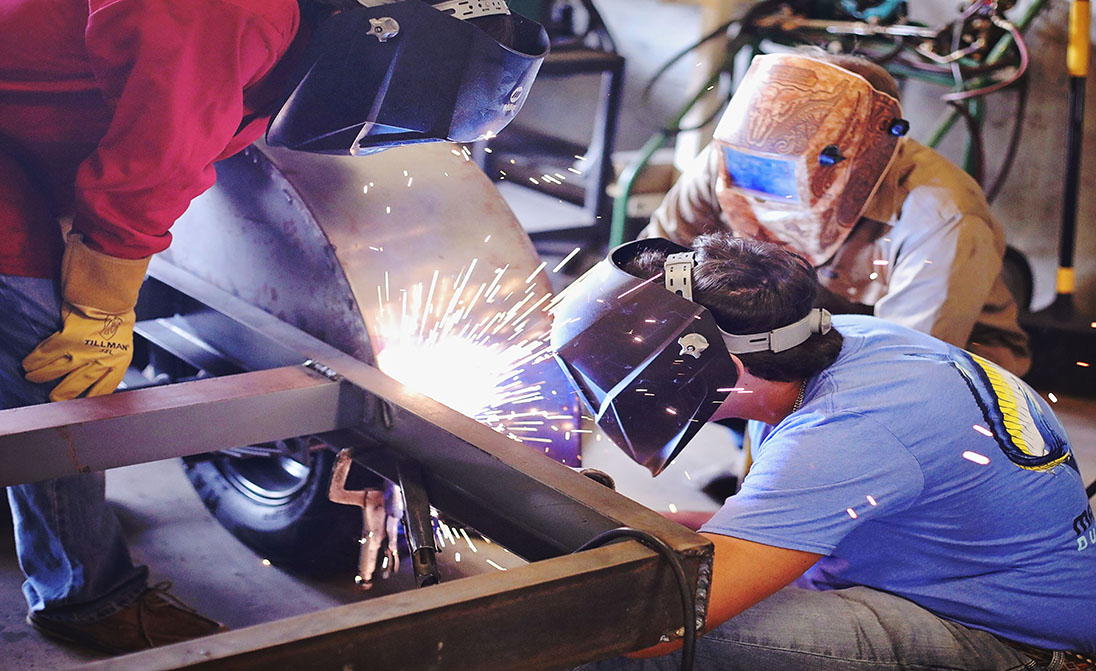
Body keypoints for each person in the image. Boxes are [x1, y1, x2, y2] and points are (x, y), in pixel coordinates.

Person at [0, 0, 547, 654]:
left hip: (36, 125)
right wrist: (100, 307)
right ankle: (85, 597)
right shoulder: (228, 11)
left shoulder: (289, 22)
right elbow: (152, 160)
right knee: (50, 342)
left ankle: (41, 501)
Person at [551, 233, 1096, 669]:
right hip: (934, 582)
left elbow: (663, 623)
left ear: (724, 369)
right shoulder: (849, 341)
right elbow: (760, 532)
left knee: (616, 638)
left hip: (1003, 643)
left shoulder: (841, 432)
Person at [642, 49, 1031, 377]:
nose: (759, 191)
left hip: (943, 368)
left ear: (861, 156)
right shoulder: (731, 156)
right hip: (802, 334)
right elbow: (651, 272)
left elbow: (903, 367)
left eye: (786, 171)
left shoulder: (942, 215)